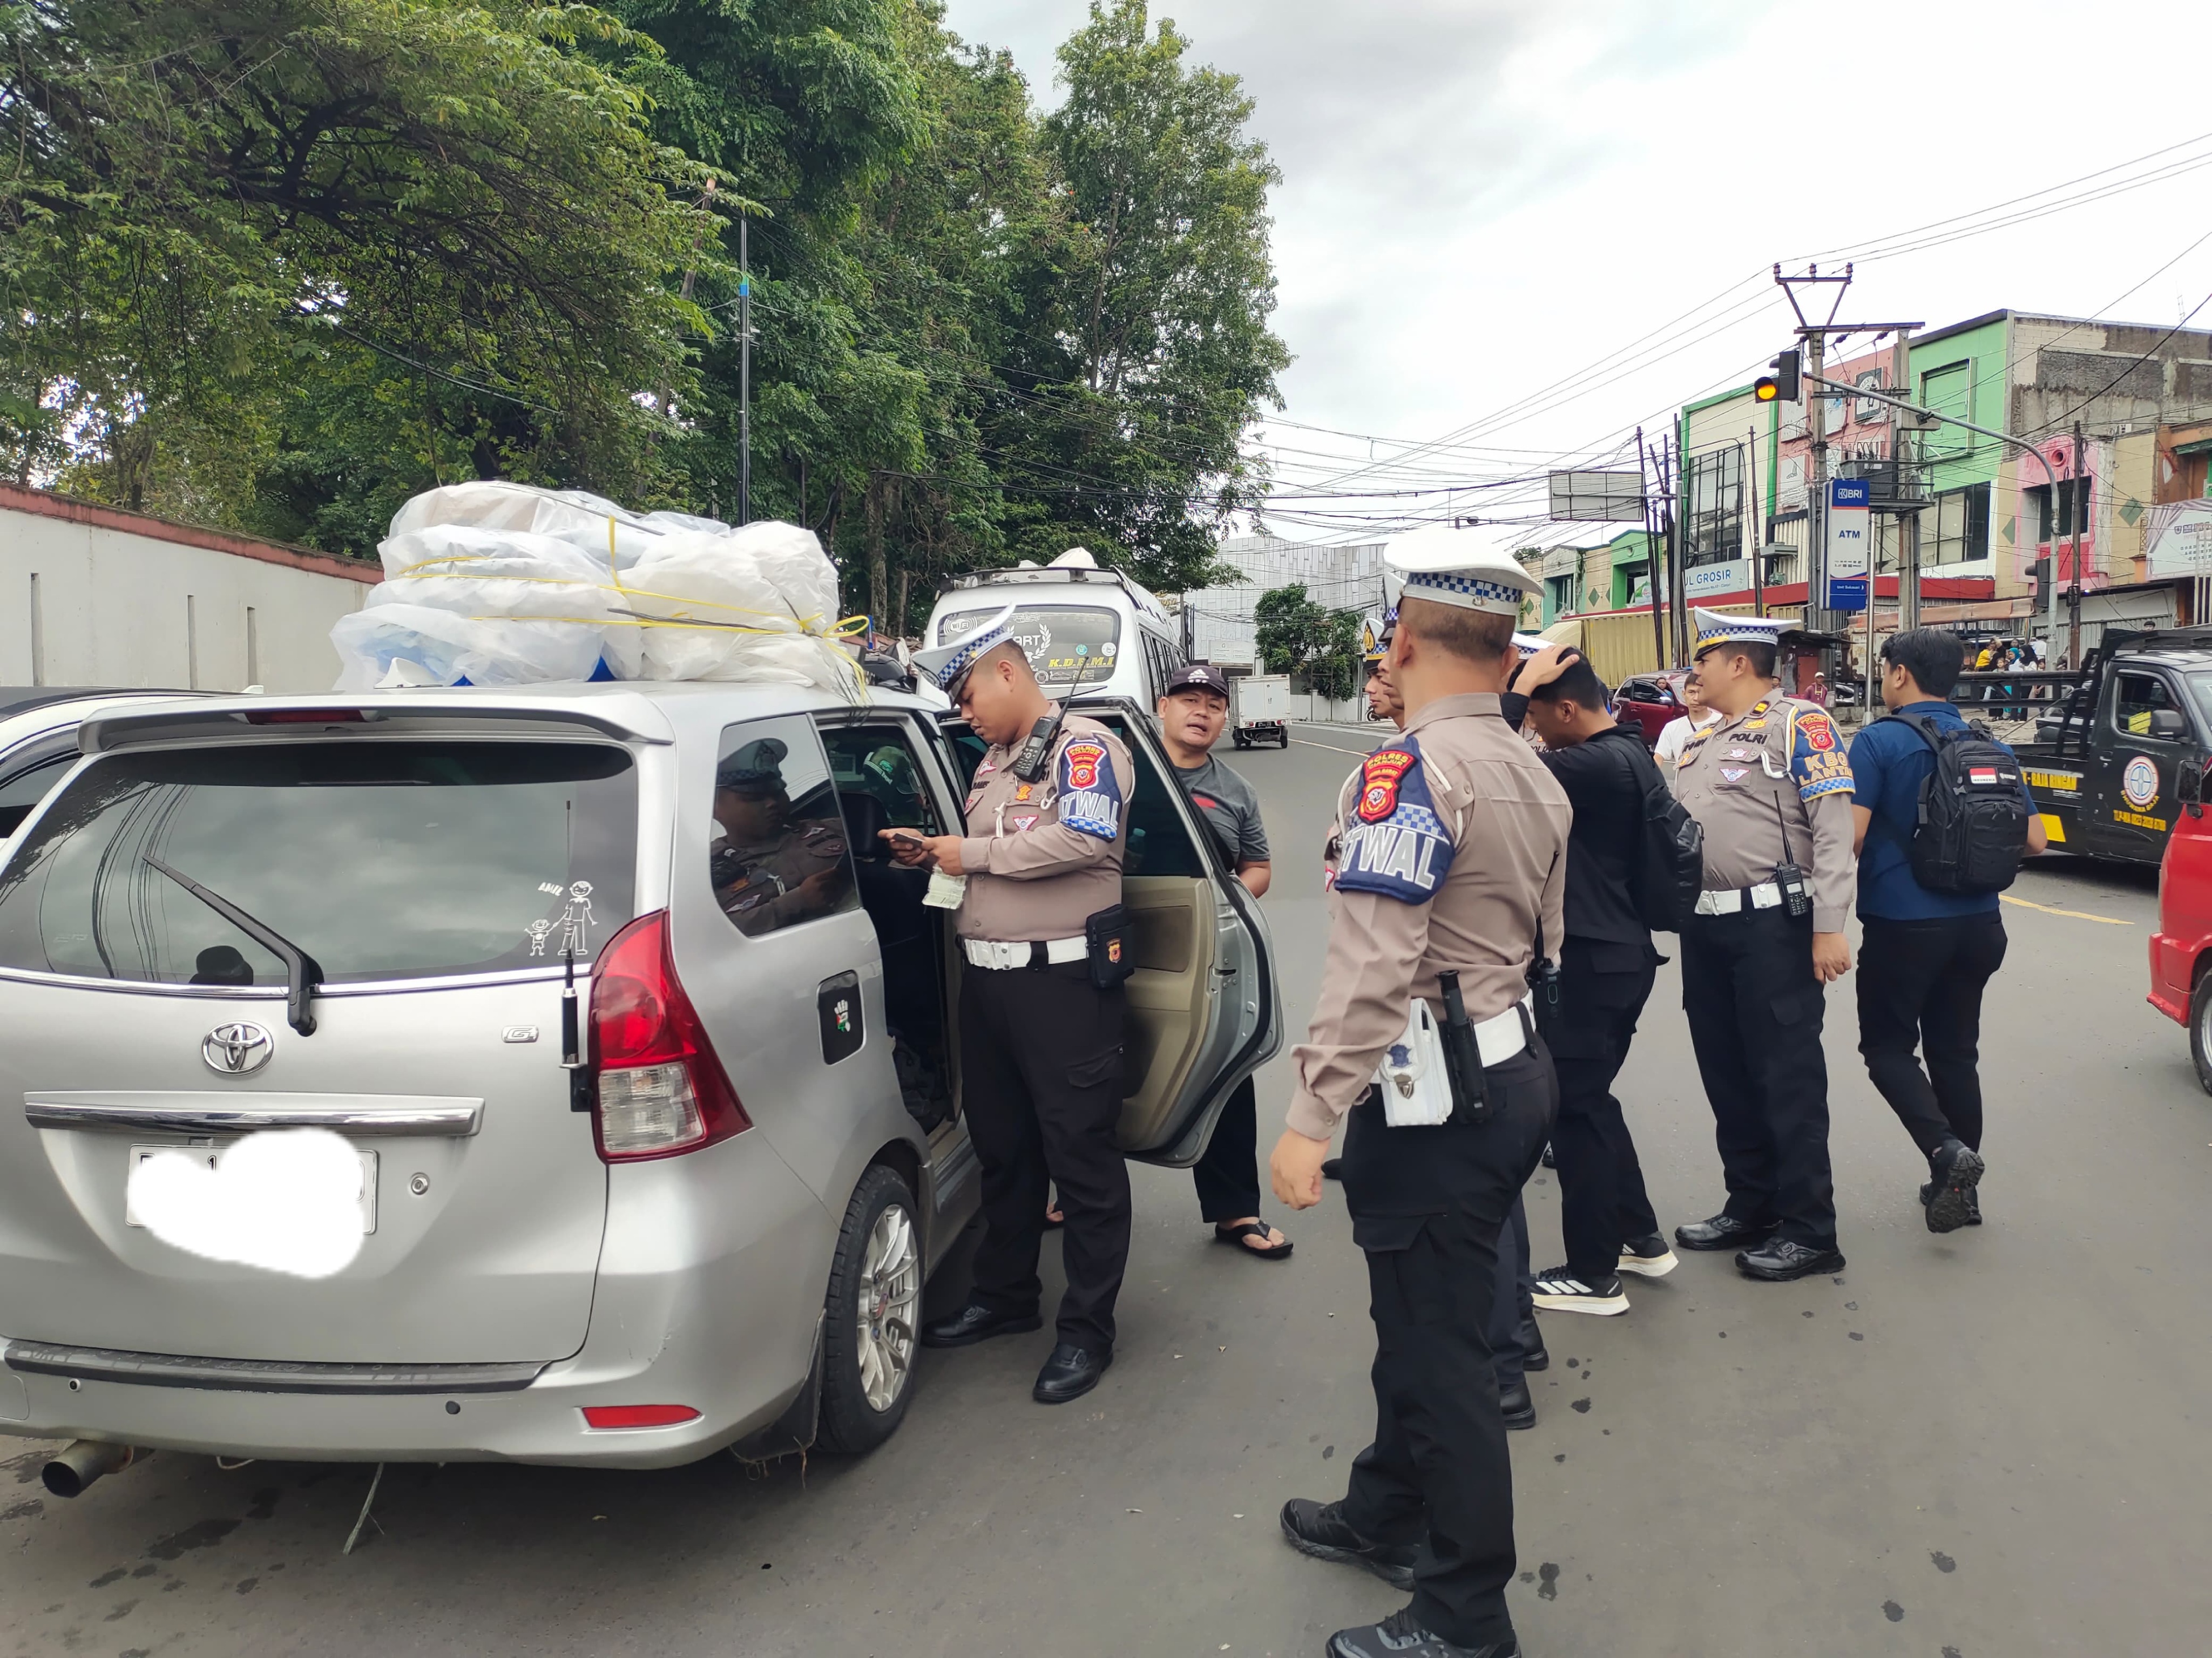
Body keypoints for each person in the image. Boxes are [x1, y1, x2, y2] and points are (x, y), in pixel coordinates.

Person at [1270, 532, 1567, 1658]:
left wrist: (1308, 1116)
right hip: (1508, 1064)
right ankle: (1384, 1504)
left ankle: (1462, 1610)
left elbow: (1373, 963)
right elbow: (1539, 932)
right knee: (1416, 1320)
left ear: (1400, 637)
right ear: (1503, 649)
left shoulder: (1406, 771)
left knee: (1440, 1350)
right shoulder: (1528, 763)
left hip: (1438, 1093)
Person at [892, 607, 1137, 1405]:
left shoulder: (1086, 748)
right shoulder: (995, 762)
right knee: (1004, 1149)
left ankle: (1086, 1329)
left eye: (966, 695)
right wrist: (937, 858)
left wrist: (973, 852)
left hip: (1062, 986)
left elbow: (1084, 840)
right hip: (992, 984)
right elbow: (988, 862)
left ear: (1006, 671)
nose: (963, 713)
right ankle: (1005, 1296)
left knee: (1081, 1159)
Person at [1670, 608, 1857, 1283]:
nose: (1695, 672)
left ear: (1739, 663)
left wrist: (1828, 924)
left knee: (1785, 1077)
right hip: (1707, 926)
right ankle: (1750, 1203)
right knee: (1725, 1070)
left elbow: (1833, 831)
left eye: (1705, 660)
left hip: (1773, 924)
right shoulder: (1701, 741)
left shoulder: (1798, 724)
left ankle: (1810, 1228)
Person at [1848, 628, 2046, 1232]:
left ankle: (1945, 1151)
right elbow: (2034, 840)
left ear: (1899, 673)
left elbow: (1849, 836)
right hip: (1979, 925)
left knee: (1885, 1048)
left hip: (1903, 925)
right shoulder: (1989, 745)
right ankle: (1957, 1189)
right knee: (1955, 1052)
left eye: (1882, 669)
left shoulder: (1877, 742)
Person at [1505, 646, 1673, 1315]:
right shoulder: (1630, 753)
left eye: (1541, 718)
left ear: (1567, 709)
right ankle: (1638, 1235)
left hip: (1590, 960)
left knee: (1573, 1111)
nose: (1534, 731)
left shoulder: (1586, 765)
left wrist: (1515, 688)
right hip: (1620, 955)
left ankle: (1592, 1273)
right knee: (1590, 1100)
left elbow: (1497, 764)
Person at [1155, 660, 1291, 1261]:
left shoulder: (1236, 789)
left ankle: (1235, 1208)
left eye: (1211, 703)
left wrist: (1222, 904)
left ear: (1224, 717)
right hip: (1116, 943)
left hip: (1204, 951)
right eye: (1187, 699)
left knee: (1226, 1066)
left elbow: (1257, 867)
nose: (1200, 711)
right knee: (1091, 1075)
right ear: (1161, 707)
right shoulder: (1127, 772)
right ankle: (1064, 1195)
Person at [709, 739, 852, 936]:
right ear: (715, 808)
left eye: (778, 792)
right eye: (755, 798)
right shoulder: (704, 874)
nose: (771, 803)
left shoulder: (833, 828)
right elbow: (712, 937)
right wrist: (796, 902)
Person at [1653, 669, 1720, 785]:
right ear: (1684, 694)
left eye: (1701, 692)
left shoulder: (1723, 723)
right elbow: (1658, 759)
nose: (1696, 698)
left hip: (1716, 795)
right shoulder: (1672, 728)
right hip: (1685, 796)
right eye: (1691, 692)